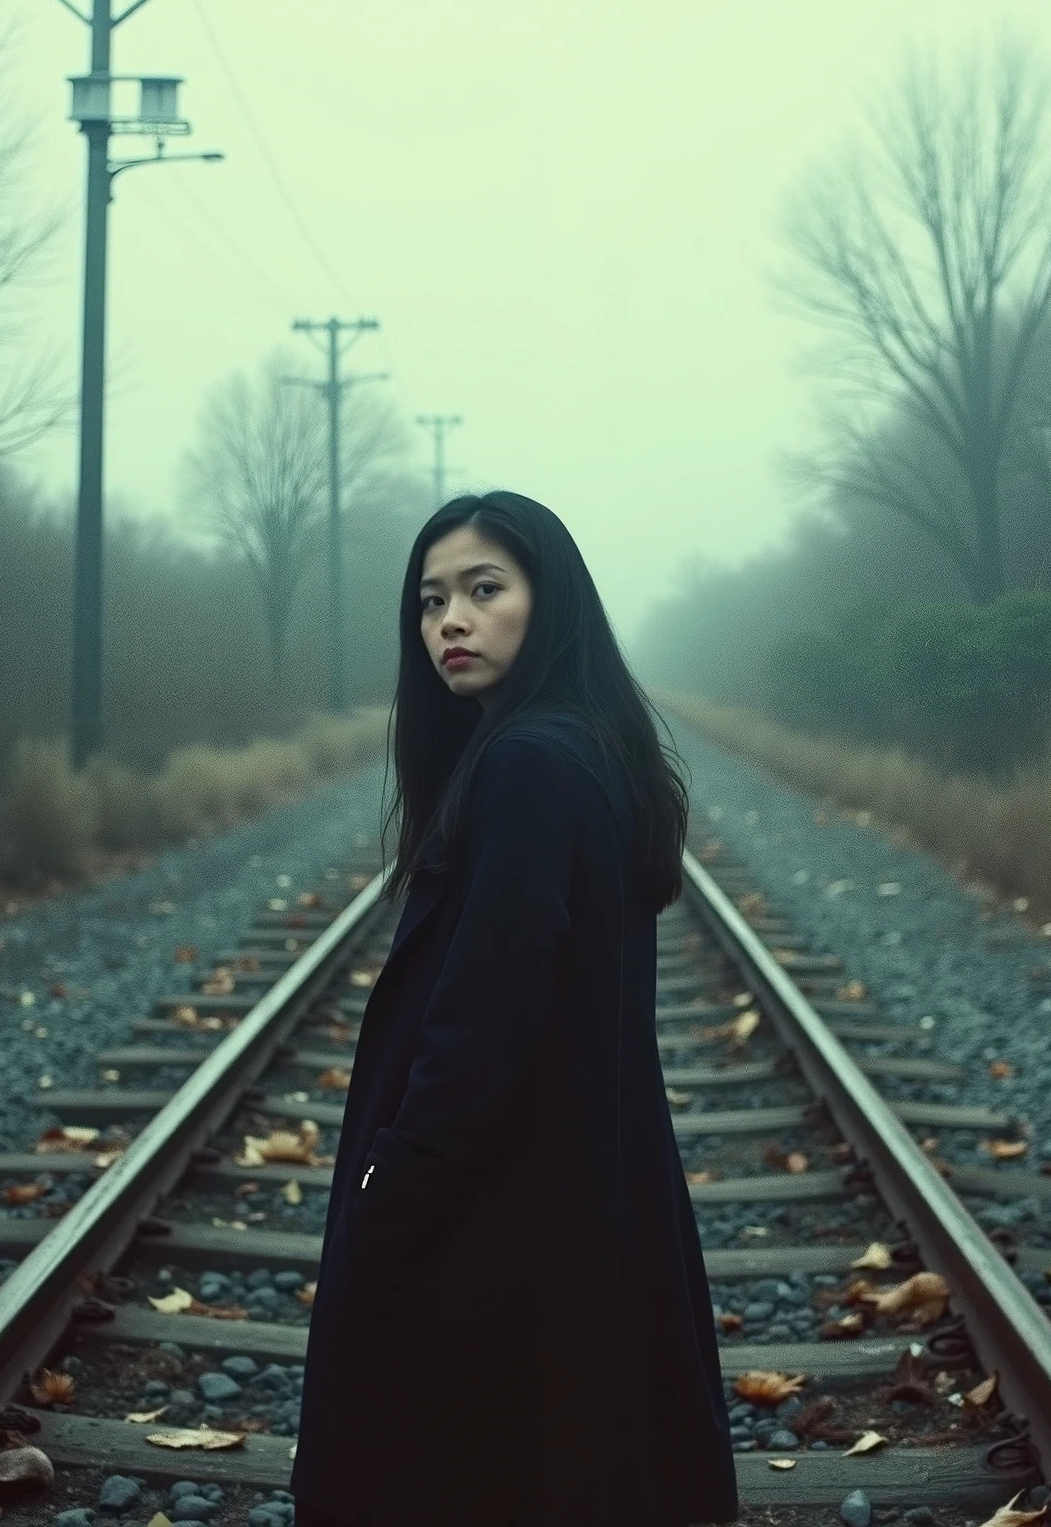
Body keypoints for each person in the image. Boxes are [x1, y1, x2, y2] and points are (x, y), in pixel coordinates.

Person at [291, 493, 738, 1527]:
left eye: (484, 590)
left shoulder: (530, 764)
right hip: (563, 1207)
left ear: (550, 604)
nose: (450, 618)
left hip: (500, 1226)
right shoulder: (573, 746)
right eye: (431, 597)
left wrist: (383, 1190)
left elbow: (483, 1025)